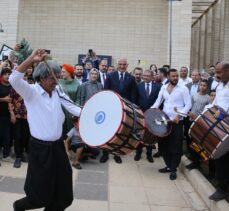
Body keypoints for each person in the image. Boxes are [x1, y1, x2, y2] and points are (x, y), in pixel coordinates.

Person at [9, 49, 81, 211]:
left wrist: (93, 116)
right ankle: (18, 207)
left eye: (58, 76)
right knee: (40, 196)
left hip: (58, 147)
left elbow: (74, 108)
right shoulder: (31, 92)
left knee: (64, 196)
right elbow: (14, 78)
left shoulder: (58, 91)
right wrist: (31, 59)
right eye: (53, 77)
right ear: (41, 78)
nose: (57, 80)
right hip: (40, 149)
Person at [152, 68, 191, 180]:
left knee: (175, 146)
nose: (175, 78)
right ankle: (169, 165)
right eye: (173, 76)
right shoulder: (163, 87)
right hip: (164, 121)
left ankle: (173, 169)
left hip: (177, 122)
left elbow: (188, 105)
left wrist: (179, 116)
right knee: (162, 145)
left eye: (176, 76)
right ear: (168, 77)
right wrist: (149, 112)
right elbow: (157, 102)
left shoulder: (183, 89)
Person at [101, 58, 137, 164]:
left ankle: (116, 154)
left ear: (127, 65)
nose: (122, 66)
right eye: (120, 64)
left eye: (124, 64)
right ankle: (105, 153)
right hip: (111, 109)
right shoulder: (110, 76)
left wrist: (132, 110)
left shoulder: (131, 78)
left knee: (120, 132)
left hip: (124, 111)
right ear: (117, 65)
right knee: (107, 131)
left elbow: (133, 96)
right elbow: (105, 92)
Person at [208, 61, 229, 201]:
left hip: (226, 126)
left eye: (219, 72)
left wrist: (224, 114)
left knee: (224, 158)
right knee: (220, 157)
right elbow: (215, 105)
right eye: (216, 72)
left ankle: (223, 189)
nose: (216, 75)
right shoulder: (220, 86)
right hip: (220, 128)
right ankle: (222, 185)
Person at [134, 70, 161, 162]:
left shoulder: (158, 87)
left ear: (152, 77)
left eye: (147, 76)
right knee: (140, 134)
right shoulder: (138, 86)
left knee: (150, 134)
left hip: (152, 115)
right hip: (141, 114)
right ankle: (138, 153)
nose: (145, 77)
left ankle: (149, 154)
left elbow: (159, 100)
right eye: (144, 75)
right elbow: (135, 100)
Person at [185, 79, 211, 170]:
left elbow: (207, 112)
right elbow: (189, 106)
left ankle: (197, 161)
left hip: (200, 122)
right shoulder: (194, 95)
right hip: (191, 120)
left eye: (204, 85)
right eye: (201, 85)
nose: (202, 87)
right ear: (199, 86)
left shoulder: (208, 98)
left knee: (197, 142)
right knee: (190, 140)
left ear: (207, 87)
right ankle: (193, 157)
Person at [9, 71, 31, 168]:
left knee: (26, 136)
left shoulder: (31, 87)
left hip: (28, 117)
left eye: (26, 76)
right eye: (23, 76)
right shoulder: (13, 88)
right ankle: (18, 156)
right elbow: (10, 102)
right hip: (17, 116)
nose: (25, 77)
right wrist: (12, 114)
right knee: (17, 136)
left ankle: (23, 154)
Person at [59, 64, 81, 136]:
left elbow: (78, 98)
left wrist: (75, 111)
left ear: (69, 72)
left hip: (72, 111)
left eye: (63, 72)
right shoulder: (59, 82)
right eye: (61, 72)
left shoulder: (77, 84)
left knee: (70, 132)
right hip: (60, 109)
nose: (61, 73)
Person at [0, 68, 13, 163]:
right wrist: (3, 99)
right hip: (1, 114)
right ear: (2, 75)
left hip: (10, 115)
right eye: (5, 74)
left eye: (9, 74)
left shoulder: (12, 86)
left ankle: (6, 154)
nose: (7, 76)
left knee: (8, 135)